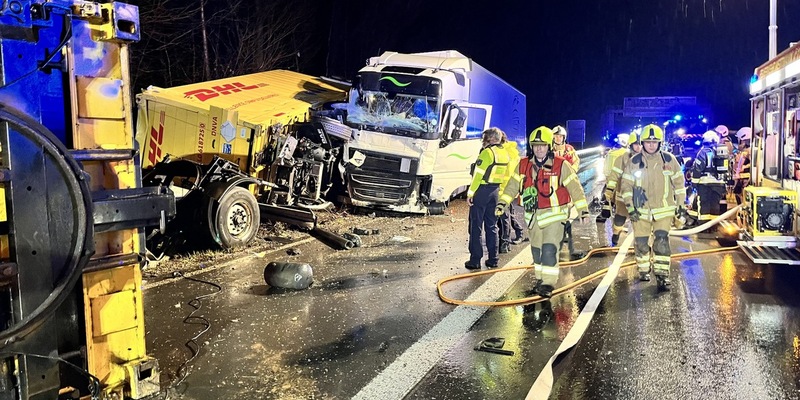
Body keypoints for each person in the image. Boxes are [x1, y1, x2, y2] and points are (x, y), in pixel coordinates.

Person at [496, 126, 589, 297]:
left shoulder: (561, 164)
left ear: (549, 146)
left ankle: (547, 284)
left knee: (549, 249)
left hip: (555, 216)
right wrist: (502, 203)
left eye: (543, 145)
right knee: (537, 250)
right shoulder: (523, 165)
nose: (539, 148)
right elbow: (511, 186)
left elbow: (575, 188)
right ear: (532, 146)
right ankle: (540, 278)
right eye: (536, 145)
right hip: (532, 218)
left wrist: (583, 210)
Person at [619, 124, 686, 289]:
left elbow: (679, 184)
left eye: (654, 142)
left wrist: (680, 205)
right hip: (640, 212)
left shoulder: (669, 160)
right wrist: (630, 207)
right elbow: (626, 187)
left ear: (660, 143)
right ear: (642, 143)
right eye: (648, 141)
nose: (651, 145)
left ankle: (662, 275)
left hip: (664, 211)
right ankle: (643, 270)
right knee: (641, 243)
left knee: (662, 242)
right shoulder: (634, 162)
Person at [465, 127, 510, 270]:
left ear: (489, 139)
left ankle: (475, 260)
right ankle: (493, 259)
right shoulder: (504, 153)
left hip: (482, 191)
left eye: (484, 139)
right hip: (495, 192)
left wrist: (470, 193)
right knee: (492, 226)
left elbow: (478, 176)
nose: (482, 141)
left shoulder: (487, 153)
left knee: (476, 226)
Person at [604, 132, 642, 246]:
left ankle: (642, 243)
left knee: (642, 222)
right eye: (636, 144)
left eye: (640, 144)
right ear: (630, 145)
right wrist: (610, 189)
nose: (639, 147)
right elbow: (614, 174)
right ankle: (616, 234)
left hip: (641, 197)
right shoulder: (623, 159)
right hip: (623, 197)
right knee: (619, 220)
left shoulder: (648, 159)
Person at [552, 125, 583, 259]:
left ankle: (566, 241)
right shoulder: (549, 149)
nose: (558, 138)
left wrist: (570, 172)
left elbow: (576, 162)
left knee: (566, 213)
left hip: (567, 185)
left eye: (560, 136)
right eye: (556, 136)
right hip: (553, 185)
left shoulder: (569, 150)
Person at [687, 130, 727, 227]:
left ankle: (704, 226)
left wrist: (694, 182)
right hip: (719, 183)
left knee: (704, 205)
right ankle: (713, 226)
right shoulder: (720, 151)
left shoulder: (704, 151)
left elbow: (698, 168)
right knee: (715, 205)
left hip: (705, 183)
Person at [497, 132, 522, 253]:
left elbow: (507, 174)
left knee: (504, 217)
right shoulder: (511, 152)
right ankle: (515, 234)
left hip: (504, 190)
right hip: (508, 189)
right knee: (507, 215)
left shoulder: (505, 153)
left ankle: (505, 243)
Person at [596, 132, 630, 223]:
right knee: (617, 199)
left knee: (609, 198)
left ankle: (604, 215)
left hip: (610, 178)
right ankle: (610, 215)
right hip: (619, 179)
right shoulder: (624, 153)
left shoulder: (612, 151)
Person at [732, 127, 752, 204]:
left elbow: (755, 164)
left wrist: (744, 167)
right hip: (740, 180)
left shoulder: (749, 151)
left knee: (744, 202)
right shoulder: (743, 151)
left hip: (745, 181)